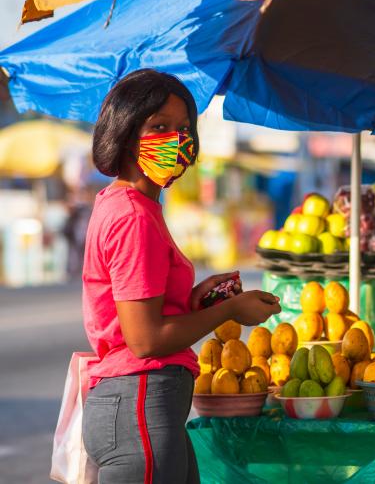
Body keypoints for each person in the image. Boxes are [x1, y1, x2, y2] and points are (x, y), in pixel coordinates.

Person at [81, 69, 281, 483]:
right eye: (159, 127)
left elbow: (139, 312)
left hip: (143, 411)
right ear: (126, 133)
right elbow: (144, 339)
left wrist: (191, 302)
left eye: (183, 128)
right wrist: (230, 310)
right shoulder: (133, 215)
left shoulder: (131, 206)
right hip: (139, 408)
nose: (175, 139)